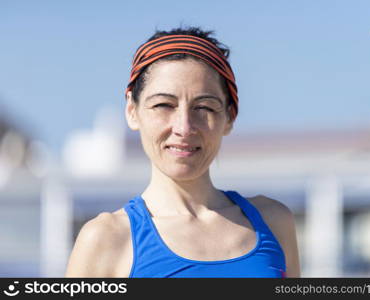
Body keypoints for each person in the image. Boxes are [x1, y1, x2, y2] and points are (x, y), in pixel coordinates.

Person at [65, 26, 301, 278]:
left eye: (204, 107)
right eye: (163, 105)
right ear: (132, 112)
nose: (184, 127)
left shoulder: (274, 222)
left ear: (230, 117)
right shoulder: (106, 239)